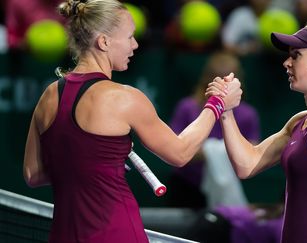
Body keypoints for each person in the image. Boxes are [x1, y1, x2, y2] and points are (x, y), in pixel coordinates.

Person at [22, 0, 242, 242]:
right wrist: (217, 102)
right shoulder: (125, 98)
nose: (135, 45)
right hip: (117, 234)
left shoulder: (48, 96)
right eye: (129, 37)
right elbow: (180, 153)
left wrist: (92, 164)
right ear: (104, 42)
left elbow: (33, 174)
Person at [207, 23, 307, 242]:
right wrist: (226, 111)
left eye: (296, 56)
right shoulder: (298, 122)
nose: (286, 63)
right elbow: (247, 165)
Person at [168, 51, 260, 209]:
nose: (224, 85)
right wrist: (214, 150)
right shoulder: (187, 107)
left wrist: (212, 150)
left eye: (229, 81)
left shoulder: (247, 114)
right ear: (207, 80)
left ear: (238, 82)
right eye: (219, 80)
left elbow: (251, 154)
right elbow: (173, 149)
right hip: (187, 187)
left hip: (224, 187)